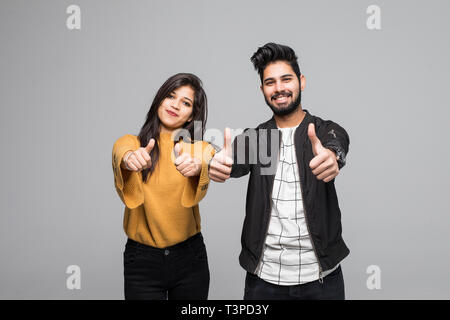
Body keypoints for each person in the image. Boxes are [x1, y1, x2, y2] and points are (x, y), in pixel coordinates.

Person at [209, 43, 350, 300]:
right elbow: (227, 157)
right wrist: (211, 159)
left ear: (301, 81)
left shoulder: (322, 130)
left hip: (322, 280)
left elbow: (336, 141)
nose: (279, 88)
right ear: (262, 89)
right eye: (270, 82)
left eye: (286, 79)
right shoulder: (258, 139)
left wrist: (333, 156)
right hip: (263, 281)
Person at [112, 73, 215, 300]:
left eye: (186, 103)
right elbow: (122, 150)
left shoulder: (195, 148)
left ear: (191, 116)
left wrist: (199, 165)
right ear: (159, 100)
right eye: (170, 96)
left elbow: (208, 154)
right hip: (142, 261)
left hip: (190, 258)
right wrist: (131, 159)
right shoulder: (132, 142)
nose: (176, 105)